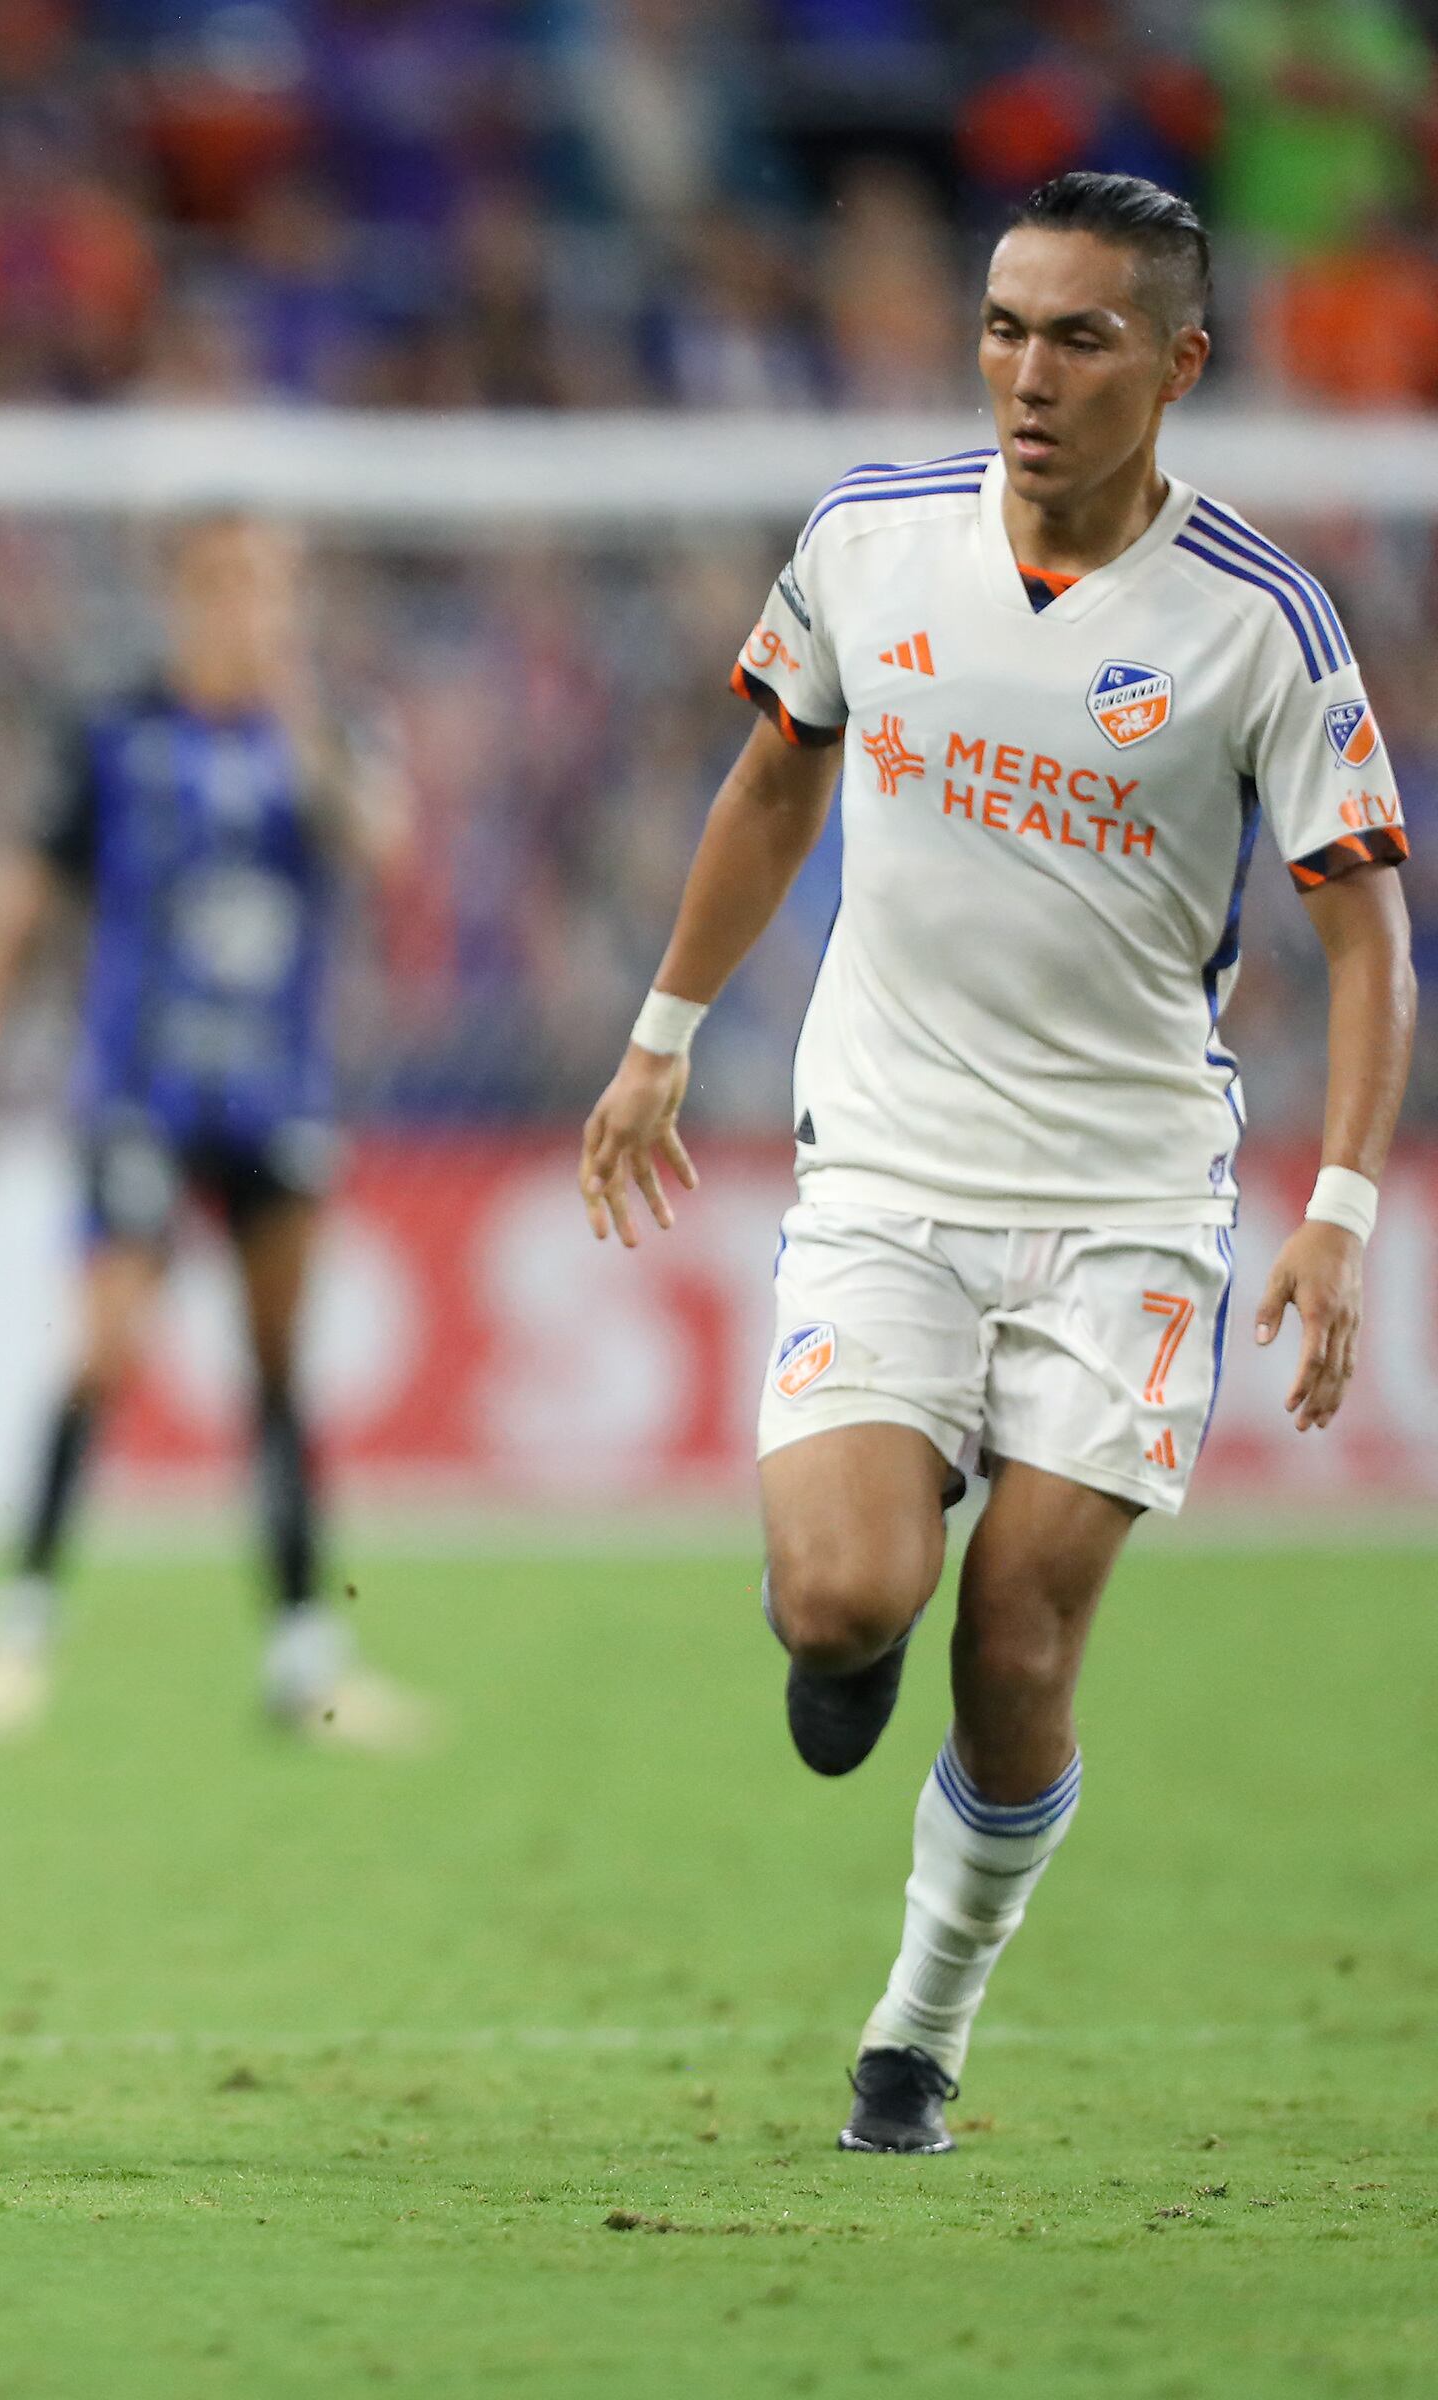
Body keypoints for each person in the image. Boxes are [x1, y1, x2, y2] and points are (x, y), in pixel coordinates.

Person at [578, 173, 1412, 2155]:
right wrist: (660, 1037)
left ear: (1181, 363)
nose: (1029, 374)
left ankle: (916, 2033)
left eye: (1082, 337)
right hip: (884, 1167)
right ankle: (842, 1638)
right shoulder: (871, 542)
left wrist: (1343, 1212)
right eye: (1005, 328)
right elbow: (776, 778)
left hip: (1130, 1205)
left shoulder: (1261, 627)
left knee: (1019, 1636)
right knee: (840, 1599)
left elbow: (1366, 933)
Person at [0, 517, 418, 1746]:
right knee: (104, 1352)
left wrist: (301, 719)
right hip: (139, 1090)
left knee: (276, 1366)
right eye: (237, 585)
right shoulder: (114, 732)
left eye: (276, 587)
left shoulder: (325, 735)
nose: (259, 610)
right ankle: (15, 1630)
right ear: (187, 595)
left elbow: (384, 847)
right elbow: (21, 903)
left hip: (278, 1094)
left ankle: (307, 1662)